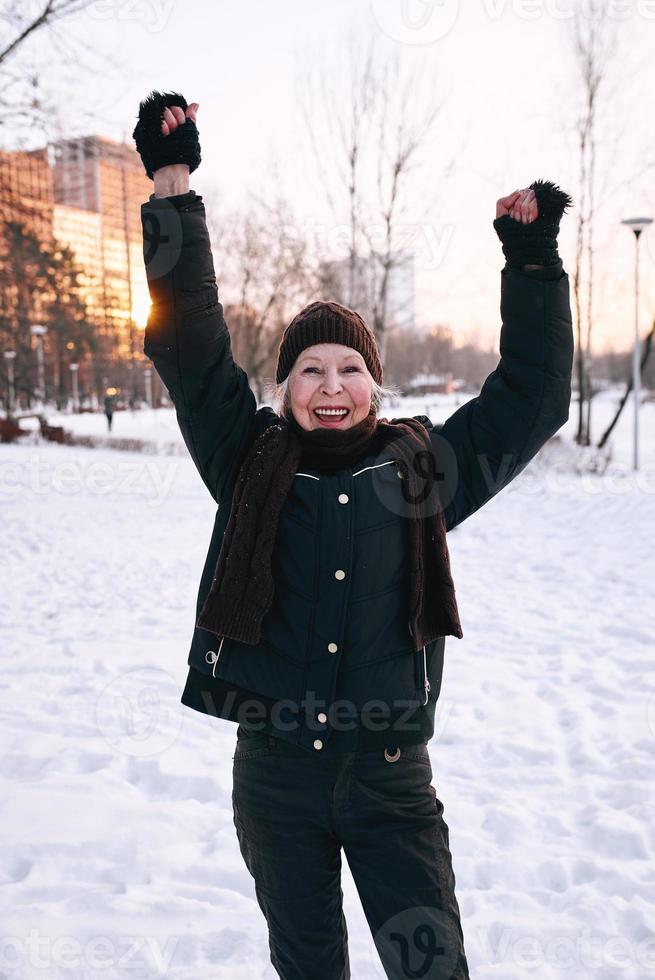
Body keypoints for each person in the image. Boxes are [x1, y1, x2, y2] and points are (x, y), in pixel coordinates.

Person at [133, 91, 574, 980]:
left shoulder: (421, 474)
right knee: (309, 968)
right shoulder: (245, 457)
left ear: (372, 385)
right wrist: (173, 184)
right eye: (308, 369)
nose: (328, 386)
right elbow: (189, 344)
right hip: (277, 777)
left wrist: (530, 265)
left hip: (388, 781)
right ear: (285, 384)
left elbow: (531, 398)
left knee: (430, 967)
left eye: (348, 369)